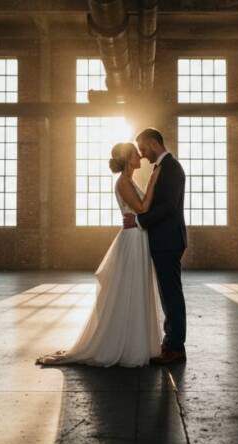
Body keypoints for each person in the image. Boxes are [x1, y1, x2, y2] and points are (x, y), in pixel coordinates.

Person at [36, 142, 164, 367]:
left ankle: (134, 342)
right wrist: (153, 182)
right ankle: (121, 345)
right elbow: (143, 209)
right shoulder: (123, 182)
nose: (141, 158)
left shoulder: (130, 181)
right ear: (127, 158)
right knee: (129, 289)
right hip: (132, 240)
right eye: (136, 154)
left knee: (136, 290)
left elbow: (143, 210)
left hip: (138, 238)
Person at [123, 128, 188, 365]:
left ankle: (175, 347)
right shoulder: (163, 167)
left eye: (143, 148)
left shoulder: (170, 168)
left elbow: (168, 207)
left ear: (153, 143)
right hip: (165, 239)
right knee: (167, 293)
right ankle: (171, 343)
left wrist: (139, 220)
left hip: (168, 240)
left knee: (171, 294)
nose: (141, 154)